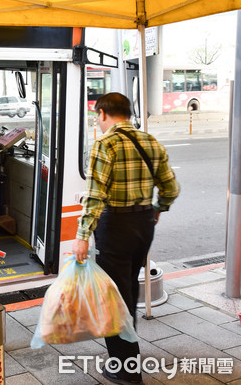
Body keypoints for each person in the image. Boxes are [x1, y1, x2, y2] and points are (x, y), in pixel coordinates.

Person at [72, 92, 180, 384]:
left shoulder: (105, 144)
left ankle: (125, 369)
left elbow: (95, 196)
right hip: (143, 226)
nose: (98, 121)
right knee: (127, 287)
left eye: (97, 115)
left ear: (104, 113)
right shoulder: (150, 141)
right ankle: (127, 354)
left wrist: (82, 236)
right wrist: (158, 208)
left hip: (115, 226)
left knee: (114, 297)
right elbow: (170, 187)